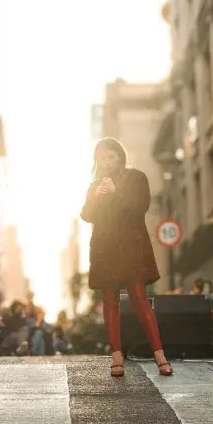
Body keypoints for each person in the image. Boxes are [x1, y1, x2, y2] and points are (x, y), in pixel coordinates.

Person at [80, 138, 172, 377]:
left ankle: (159, 354)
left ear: (120, 156)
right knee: (110, 301)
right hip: (105, 248)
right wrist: (96, 197)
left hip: (131, 246)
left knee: (139, 298)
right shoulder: (94, 185)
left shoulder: (136, 177)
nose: (108, 162)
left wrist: (115, 191)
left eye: (111, 156)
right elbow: (86, 215)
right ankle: (116, 356)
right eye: (102, 158)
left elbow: (139, 206)